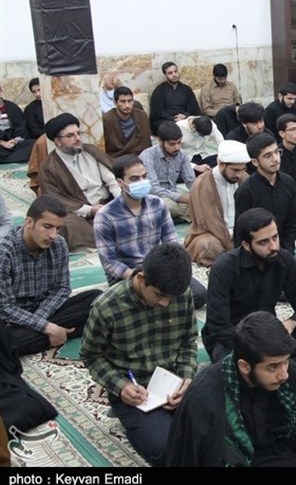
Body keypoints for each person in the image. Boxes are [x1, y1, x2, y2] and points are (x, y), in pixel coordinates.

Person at [166, 311, 296, 467]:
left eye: (286, 362)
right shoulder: (206, 398)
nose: (284, 375)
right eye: (272, 367)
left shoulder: (287, 373)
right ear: (244, 366)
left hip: (287, 454)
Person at [81, 244, 197, 467]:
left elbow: (188, 341)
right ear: (142, 278)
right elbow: (91, 356)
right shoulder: (107, 307)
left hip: (173, 380)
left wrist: (186, 377)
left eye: (171, 298)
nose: (165, 303)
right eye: (160, 295)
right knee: (165, 449)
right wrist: (121, 387)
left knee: (218, 429)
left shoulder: (182, 295)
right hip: (135, 390)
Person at [94, 155, 207, 310]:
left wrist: (173, 269)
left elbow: (171, 242)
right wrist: (139, 278)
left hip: (159, 268)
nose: (141, 182)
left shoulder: (158, 204)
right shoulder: (106, 215)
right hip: (128, 275)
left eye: (144, 177)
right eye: (134, 179)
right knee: (133, 303)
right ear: (120, 182)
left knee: (198, 295)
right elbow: (109, 262)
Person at [203, 208, 296, 363]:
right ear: (246, 245)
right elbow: (218, 326)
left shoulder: (283, 259)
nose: (273, 246)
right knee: (236, 363)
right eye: (264, 242)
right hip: (234, 338)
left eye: (275, 237)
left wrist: (291, 323)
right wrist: (259, 345)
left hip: (269, 332)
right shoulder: (224, 268)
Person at [0, 196, 101, 356]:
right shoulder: (5, 252)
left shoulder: (58, 244)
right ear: (29, 223)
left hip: (46, 310)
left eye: (57, 228)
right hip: (12, 320)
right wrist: (46, 327)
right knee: (5, 342)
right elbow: (6, 308)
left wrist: (42, 323)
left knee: (96, 298)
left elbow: (62, 288)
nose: (53, 235)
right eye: (47, 227)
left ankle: (47, 336)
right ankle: (63, 333)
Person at [234, 132, 296, 293]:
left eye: (277, 152)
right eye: (268, 155)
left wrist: (285, 252)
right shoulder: (245, 192)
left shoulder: (288, 183)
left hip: (282, 250)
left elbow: (292, 224)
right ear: (255, 162)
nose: (275, 159)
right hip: (257, 254)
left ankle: (274, 288)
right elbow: (241, 234)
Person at [39, 113, 120, 249]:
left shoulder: (91, 151)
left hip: (108, 203)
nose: (77, 138)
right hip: (79, 212)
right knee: (65, 225)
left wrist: (121, 199)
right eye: (70, 135)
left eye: (78, 133)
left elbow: (111, 179)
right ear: (58, 141)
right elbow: (56, 199)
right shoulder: (49, 166)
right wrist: (90, 210)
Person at [184, 140, 250, 267]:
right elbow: (207, 221)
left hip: (238, 230)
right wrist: (231, 236)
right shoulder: (202, 184)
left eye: (242, 169)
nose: (239, 174)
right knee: (210, 246)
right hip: (211, 233)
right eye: (235, 170)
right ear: (221, 163)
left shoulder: (243, 178)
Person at [139, 121, 195, 221]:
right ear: (160, 141)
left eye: (179, 143)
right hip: (153, 197)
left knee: (203, 202)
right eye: (172, 144)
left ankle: (171, 218)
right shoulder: (148, 156)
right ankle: (182, 216)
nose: (177, 147)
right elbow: (152, 188)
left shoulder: (181, 154)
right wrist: (180, 198)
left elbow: (191, 180)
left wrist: (196, 194)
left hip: (173, 195)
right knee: (168, 206)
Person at [149, 62, 201, 135]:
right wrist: (173, 119)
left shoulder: (186, 89)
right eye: (170, 73)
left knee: (201, 122)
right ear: (165, 75)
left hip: (185, 119)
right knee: (166, 127)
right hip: (166, 121)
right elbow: (156, 113)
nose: (174, 75)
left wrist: (185, 115)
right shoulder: (159, 91)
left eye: (175, 71)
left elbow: (195, 110)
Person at [102, 86, 152, 158]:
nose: (127, 105)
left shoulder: (141, 116)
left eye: (130, 101)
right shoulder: (107, 119)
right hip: (117, 157)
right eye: (123, 101)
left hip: (139, 155)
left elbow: (145, 143)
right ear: (115, 103)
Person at [0, 82, 34, 163]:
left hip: (13, 142)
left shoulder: (12, 107)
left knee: (32, 143)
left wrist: (15, 141)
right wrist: (2, 143)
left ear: (0, 90)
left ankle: (6, 159)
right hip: (1, 145)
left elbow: (21, 127)